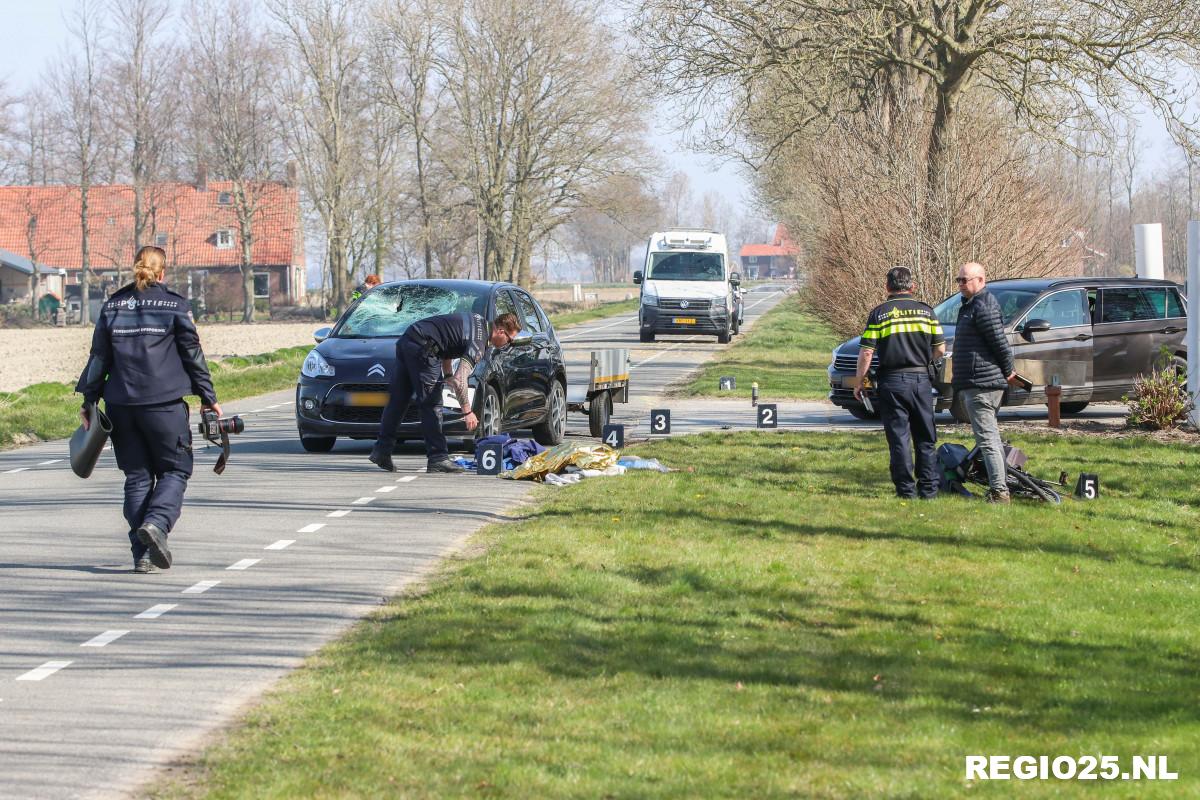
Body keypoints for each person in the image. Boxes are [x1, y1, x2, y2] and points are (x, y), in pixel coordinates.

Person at [76, 246, 221, 572]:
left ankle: (141, 554)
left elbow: (98, 358)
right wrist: (208, 397)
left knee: (138, 476)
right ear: (163, 272)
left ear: (136, 268)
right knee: (175, 471)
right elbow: (192, 355)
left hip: (121, 406)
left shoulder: (113, 305)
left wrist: (89, 400)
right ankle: (156, 524)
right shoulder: (174, 304)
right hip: (164, 405)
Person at [369, 311, 521, 474]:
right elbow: (461, 377)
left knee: (398, 400)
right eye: (509, 340)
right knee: (432, 404)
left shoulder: (478, 321)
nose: (508, 344)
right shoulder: (478, 344)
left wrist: (447, 374)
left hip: (409, 338)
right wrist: (467, 411)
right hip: (424, 349)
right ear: (500, 331)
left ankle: (382, 450)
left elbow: (447, 344)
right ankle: (438, 458)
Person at [853, 266, 945, 499]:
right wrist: (924, 361)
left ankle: (906, 491)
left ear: (887, 287)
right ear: (912, 287)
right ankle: (929, 490)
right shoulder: (927, 312)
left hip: (892, 382)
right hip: (921, 380)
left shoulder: (879, 314)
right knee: (925, 437)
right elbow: (940, 348)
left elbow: (866, 353)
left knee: (899, 438)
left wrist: (859, 381)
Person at [951, 261, 1019, 504]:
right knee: (990, 438)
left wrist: (1009, 370)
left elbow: (1000, 344)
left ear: (980, 280)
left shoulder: (983, 306)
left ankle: (1000, 492)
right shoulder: (972, 305)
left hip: (983, 385)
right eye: (958, 280)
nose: (960, 284)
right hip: (976, 382)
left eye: (964, 280)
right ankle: (1001, 485)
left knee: (987, 440)